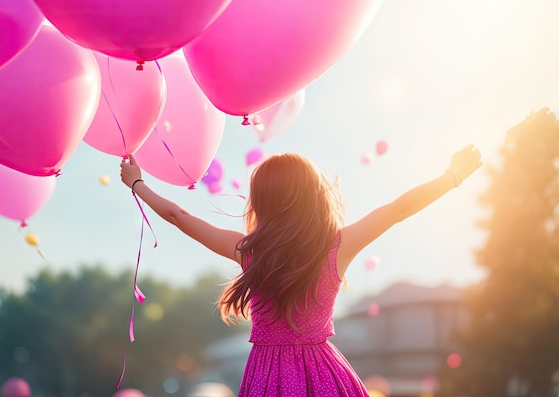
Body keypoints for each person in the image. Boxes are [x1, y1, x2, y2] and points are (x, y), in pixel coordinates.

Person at [120, 144, 482, 397]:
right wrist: (452, 176)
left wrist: (138, 184)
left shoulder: (249, 252)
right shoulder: (338, 246)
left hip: (265, 378)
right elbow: (398, 209)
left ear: (261, 201)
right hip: (325, 373)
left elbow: (179, 217)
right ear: (313, 195)